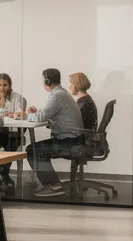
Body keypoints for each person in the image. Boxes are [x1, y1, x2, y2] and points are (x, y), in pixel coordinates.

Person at [19, 68, 88, 197]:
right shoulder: (61, 93)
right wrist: (37, 112)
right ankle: (52, 183)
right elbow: (48, 113)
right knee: (35, 149)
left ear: (47, 81)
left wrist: (27, 114)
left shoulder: (57, 95)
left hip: (69, 141)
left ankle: (54, 185)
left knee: (32, 150)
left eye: (43, 80)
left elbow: (41, 117)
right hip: (73, 138)